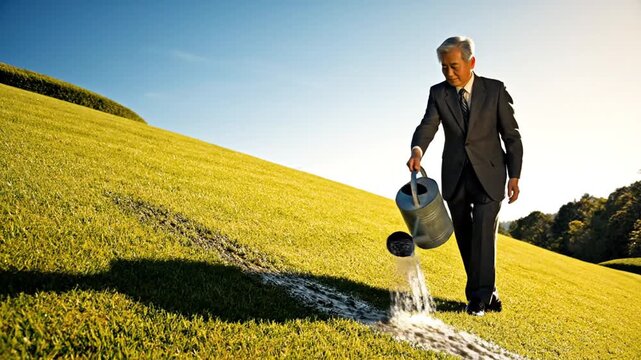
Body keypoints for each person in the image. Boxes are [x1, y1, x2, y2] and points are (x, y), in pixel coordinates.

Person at [407, 36, 523, 316]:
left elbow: (512, 136)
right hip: (456, 176)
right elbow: (428, 125)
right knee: (466, 238)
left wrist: (515, 175)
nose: (449, 72)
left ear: (471, 62)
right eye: (444, 67)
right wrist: (417, 150)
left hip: (491, 175)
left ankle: (478, 299)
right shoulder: (438, 93)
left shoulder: (494, 90)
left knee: (483, 232)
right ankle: (489, 293)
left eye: (454, 65)